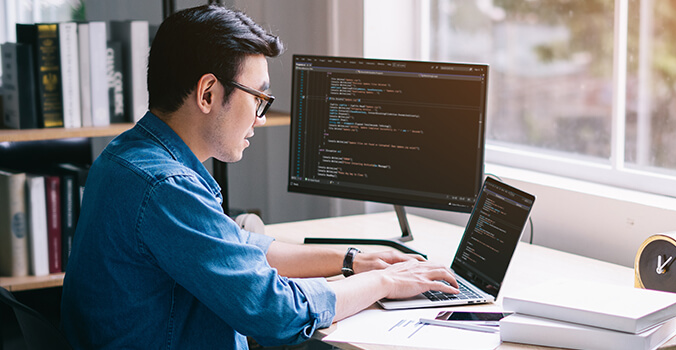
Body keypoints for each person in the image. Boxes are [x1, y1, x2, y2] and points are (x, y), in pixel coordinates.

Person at [60, 5, 459, 349]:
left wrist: (352, 260)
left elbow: (237, 245)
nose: (260, 118)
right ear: (208, 94)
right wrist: (386, 283)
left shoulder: (127, 156)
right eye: (258, 99)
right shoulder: (166, 186)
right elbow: (277, 313)